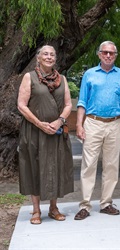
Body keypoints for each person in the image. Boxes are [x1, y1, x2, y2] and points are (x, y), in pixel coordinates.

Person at [74, 41, 120, 220]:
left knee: (111, 165)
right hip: (93, 122)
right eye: (105, 52)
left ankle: (106, 203)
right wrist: (78, 124)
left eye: (112, 53)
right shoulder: (89, 74)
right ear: (99, 54)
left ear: (116, 55)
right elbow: (82, 101)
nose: (108, 55)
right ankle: (85, 205)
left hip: (115, 124)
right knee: (89, 164)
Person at [17, 45, 74, 225]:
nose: (49, 57)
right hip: (34, 131)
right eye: (45, 54)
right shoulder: (29, 77)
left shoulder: (62, 79)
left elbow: (68, 105)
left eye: (52, 54)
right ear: (38, 58)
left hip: (56, 131)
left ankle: (53, 208)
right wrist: (39, 123)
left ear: (55, 58)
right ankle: (35, 210)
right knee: (34, 167)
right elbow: (21, 105)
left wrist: (59, 121)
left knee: (56, 167)